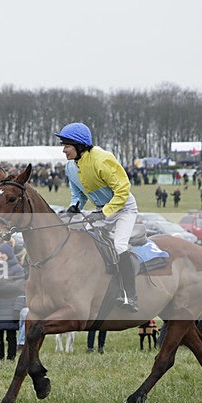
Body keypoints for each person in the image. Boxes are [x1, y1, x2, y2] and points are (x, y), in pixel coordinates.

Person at [57, 122, 139, 312]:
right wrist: (74, 207)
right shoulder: (70, 167)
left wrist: (104, 212)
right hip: (101, 211)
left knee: (119, 245)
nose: (64, 150)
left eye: (67, 146)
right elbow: (78, 195)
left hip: (124, 208)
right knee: (83, 243)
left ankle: (130, 295)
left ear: (79, 145)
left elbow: (123, 190)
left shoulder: (102, 160)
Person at [0, 242, 26, 360]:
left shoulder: (17, 269)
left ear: (9, 254)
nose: (0, 255)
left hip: (10, 307)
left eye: (3, 253)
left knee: (10, 336)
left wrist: (17, 309)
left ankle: (11, 357)